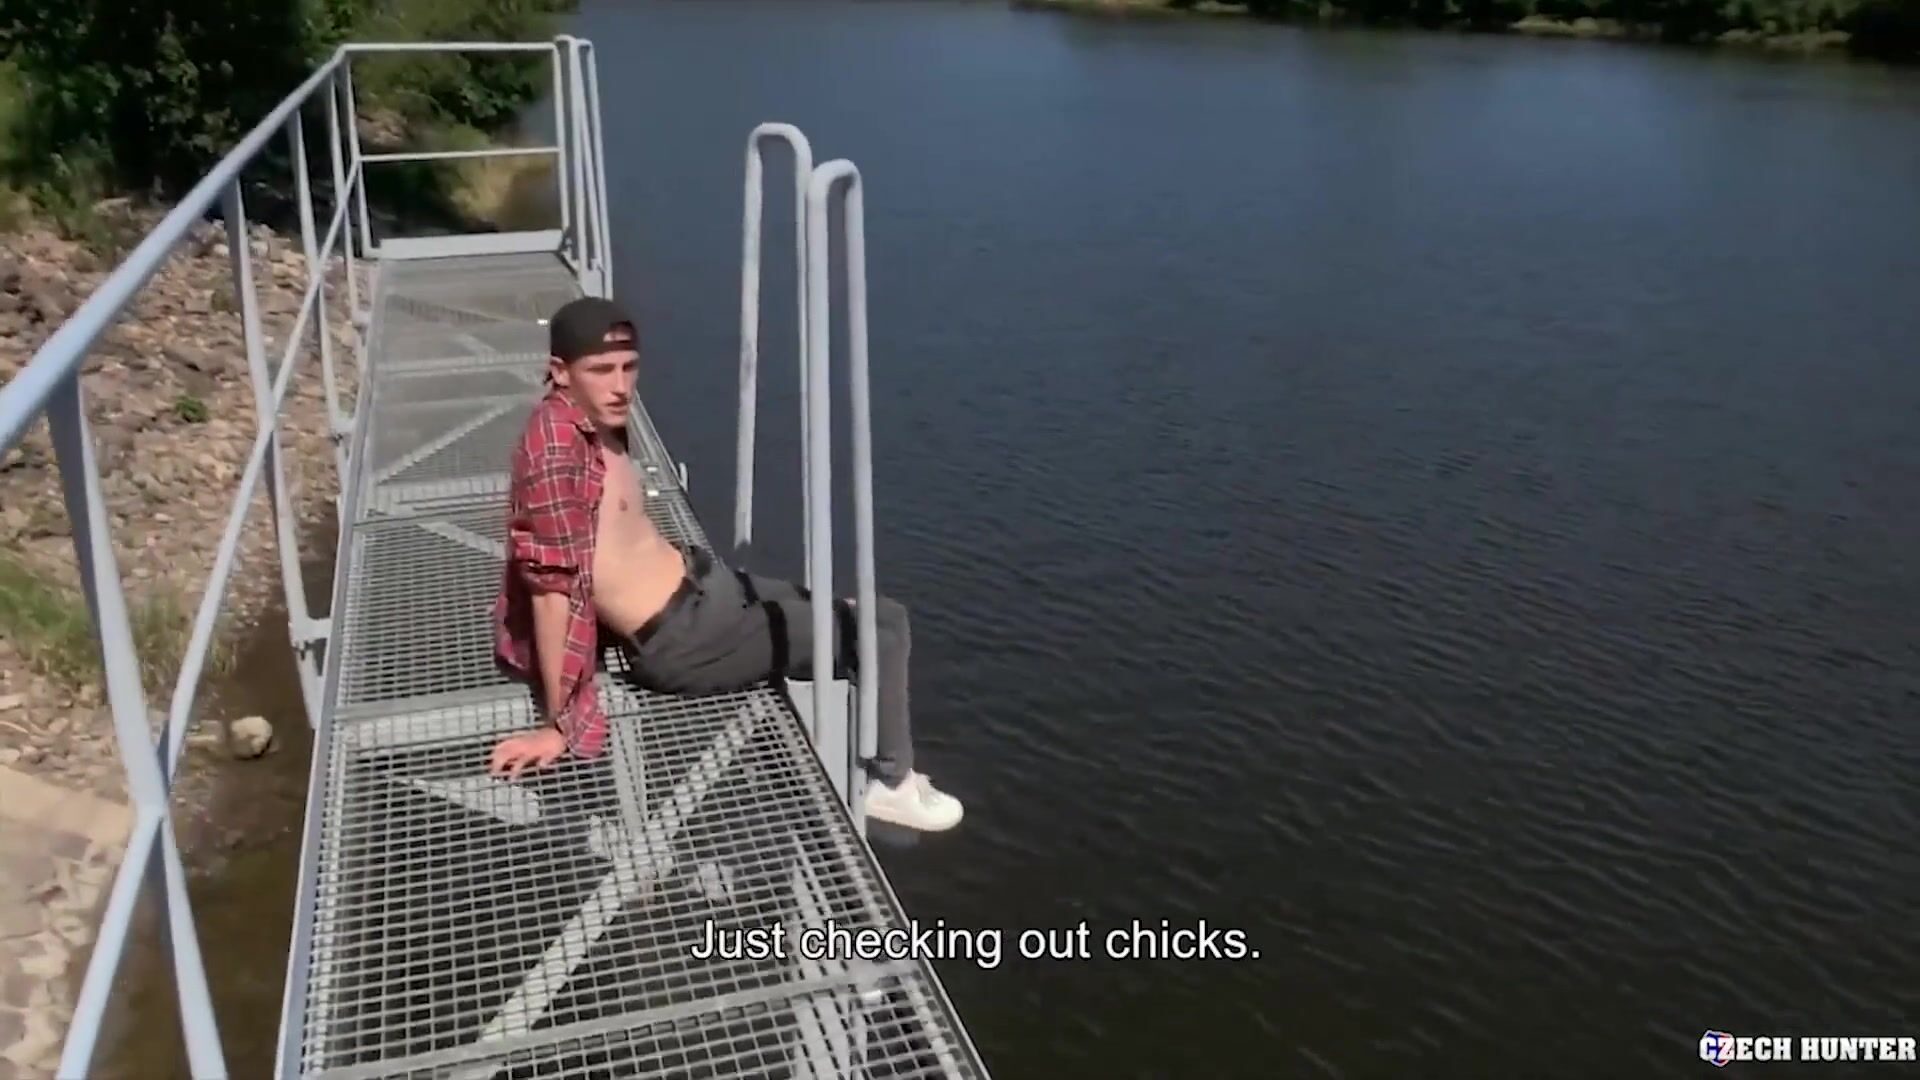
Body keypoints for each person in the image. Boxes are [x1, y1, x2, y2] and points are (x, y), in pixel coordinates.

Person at [486, 296, 963, 832]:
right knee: (879, 634)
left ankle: (878, 741)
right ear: (559, 372)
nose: (620, 386)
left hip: (705, 588)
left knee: (875, 614)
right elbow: (550, 594)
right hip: (682, 641)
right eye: (601, 370)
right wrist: (556, 725)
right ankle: (892, 785)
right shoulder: (554, 455)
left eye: (629, 366)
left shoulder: (597, 418)